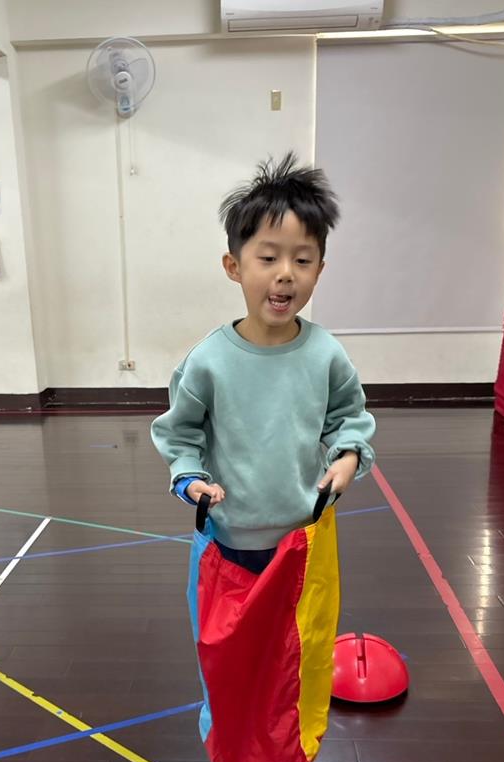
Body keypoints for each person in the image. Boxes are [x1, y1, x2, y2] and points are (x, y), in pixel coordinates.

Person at [151, 152, 376, 573]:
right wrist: (189, 478)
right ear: (234, 266)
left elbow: (348, 416)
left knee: (300, 619)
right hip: (230, 536)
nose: (286, 273)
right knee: (234, 620)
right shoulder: (208, 361)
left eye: (302, 260)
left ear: (319, 270)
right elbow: (179, 433)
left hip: (306, 533)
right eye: (269, 258)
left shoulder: (326, 354)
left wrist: (348, 456)